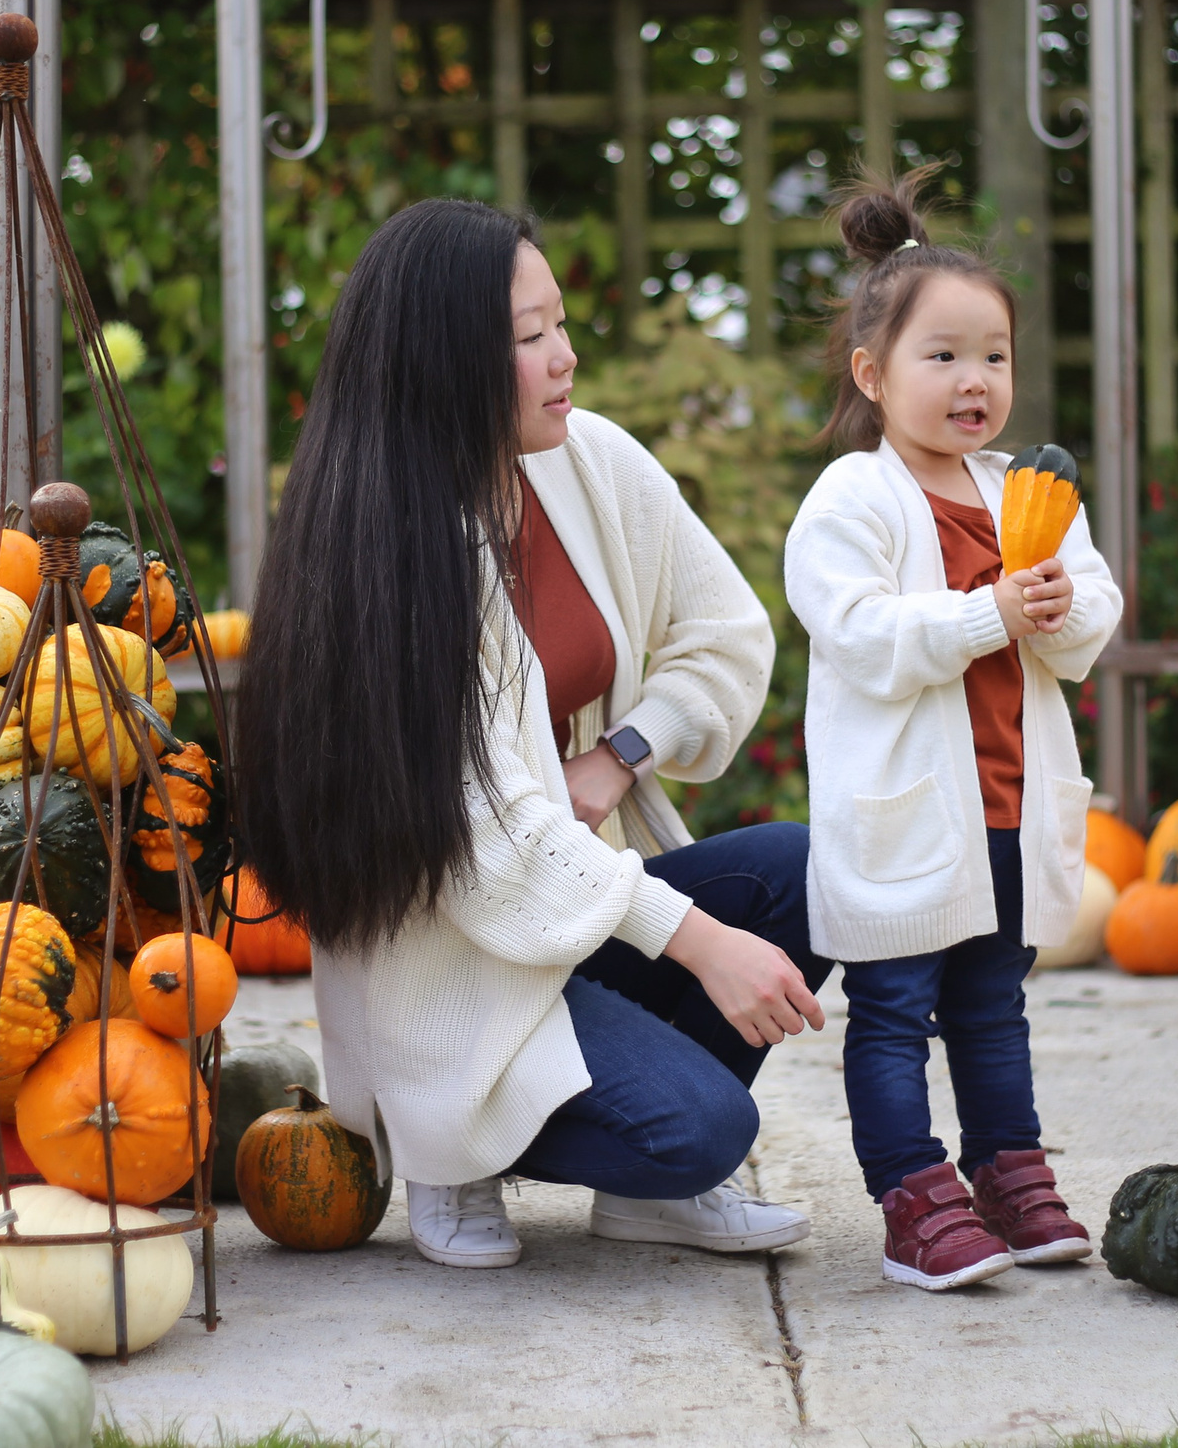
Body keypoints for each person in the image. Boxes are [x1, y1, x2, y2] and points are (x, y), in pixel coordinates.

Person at [237, 198, 833, 1271]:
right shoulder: (392, 555)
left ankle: (643, 1189)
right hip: (455, 960)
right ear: (444, 364)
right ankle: (449, 1148)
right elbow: (489, 847)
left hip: (580, 907)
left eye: (559, 324)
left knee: (806, 870)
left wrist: (617, 758)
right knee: (705, 1131)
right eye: (527, 337)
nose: (563, 358)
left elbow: (728, 632)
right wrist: (700, 942)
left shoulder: (586, 461)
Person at [782, 172, 1123, 1291]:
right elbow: (861, 634)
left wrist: (1062, 609)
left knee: (992, 1006)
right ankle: (911, 1196)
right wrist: (989, 611)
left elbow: (1091, 609)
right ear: (873, 375)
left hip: (1009, 807)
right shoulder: (852, 499)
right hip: (906, 817)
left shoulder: (1026, 490)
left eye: (993, 357)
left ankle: (1009, 1172)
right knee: (890, 1012)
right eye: (942, 356)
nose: (973, 380)